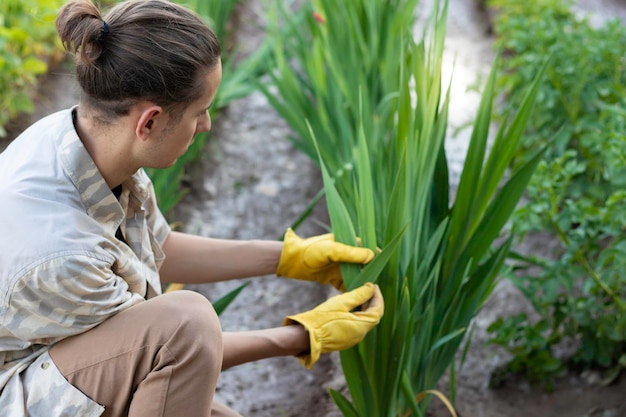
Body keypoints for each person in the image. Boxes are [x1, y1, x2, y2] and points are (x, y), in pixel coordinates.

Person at [0, 0, 385, 416]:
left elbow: (154, 247)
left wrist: (289, 257)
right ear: (148, 122)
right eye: (200, 113)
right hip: (16, 391)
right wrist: (301, 336)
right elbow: (171, 347)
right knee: (188, 319)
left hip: (54, 362)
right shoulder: (59, 251)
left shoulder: (84, 140)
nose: (206, 125)